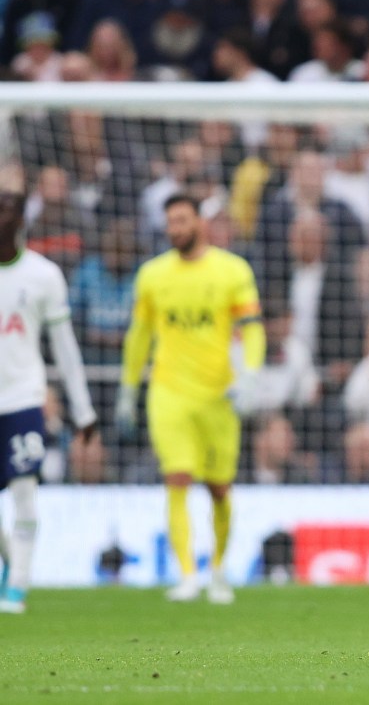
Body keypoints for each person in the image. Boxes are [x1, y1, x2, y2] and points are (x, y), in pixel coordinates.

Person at [116, 194, 265, 605]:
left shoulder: (232, 270)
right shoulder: (152, 275)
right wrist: (129, 388)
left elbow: (251, 328)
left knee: (219, 489)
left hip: (218, 396)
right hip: (169, 392)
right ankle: (186, 576)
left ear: (200, 222)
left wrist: (250, 373)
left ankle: (218, 571)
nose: (175, 228)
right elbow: (139, 335)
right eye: (170, 222)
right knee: (177, 479)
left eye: (182, 220)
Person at [0, 166, 97, 614]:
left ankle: (16, 586)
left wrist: (83, 409)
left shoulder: (43, 276)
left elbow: (65, 348)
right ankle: (9, 562)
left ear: (21, 221)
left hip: (22, 399)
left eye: (8, 211)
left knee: (25, 492)